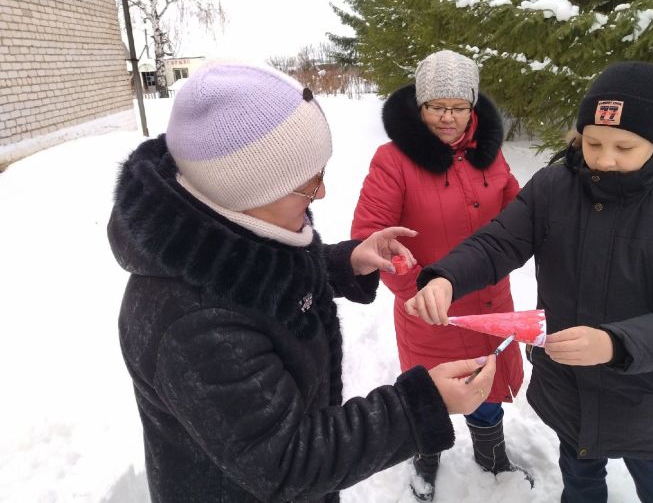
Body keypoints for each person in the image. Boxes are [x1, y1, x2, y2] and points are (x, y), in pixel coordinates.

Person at [107, 62, 497, 503]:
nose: (322, 193)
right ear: (246, 191)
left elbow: (257, 277)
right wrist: (421, 406)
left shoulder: (228, 228)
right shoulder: (190, 323)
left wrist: (344, 262)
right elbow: (287, 459)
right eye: (308, 183)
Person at [407, 61, 653, 502]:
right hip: (567, 387)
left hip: (646, 392)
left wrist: (615, 344)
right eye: (592, 142)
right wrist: (446, 278)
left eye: (623, 147)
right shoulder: (555, 185)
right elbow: (499, 241)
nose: (604, 158)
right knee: (580, 478)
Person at [351, 49, 529, 500]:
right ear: (420, 105)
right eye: (436, 106)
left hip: (490, 303)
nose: (447, 117)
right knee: (430, 393)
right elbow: (372, 238)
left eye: (458, 107)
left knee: (487, 385)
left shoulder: (490, 154)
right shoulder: (393, 160)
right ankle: (424, 459)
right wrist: (416, 290)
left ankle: (491, 456)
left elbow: (519, 214)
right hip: (429, 308)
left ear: (472, 106)